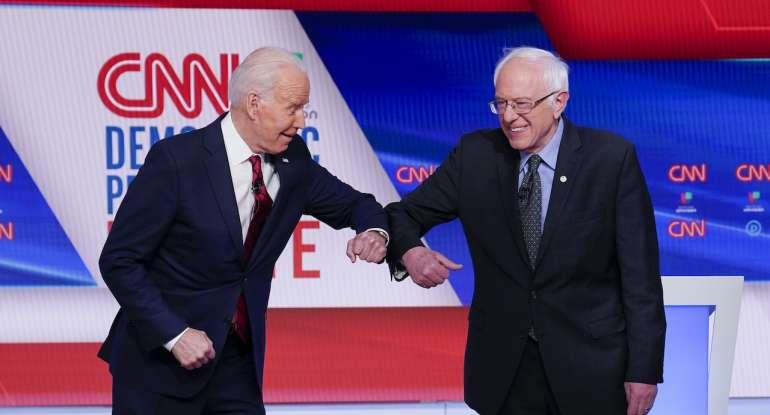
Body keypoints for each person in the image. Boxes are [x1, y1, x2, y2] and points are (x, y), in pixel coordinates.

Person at [98, 47, 389, 415]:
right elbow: (120, 261)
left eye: (304, 108)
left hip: (236, 367)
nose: (301, 121)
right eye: (293, 107)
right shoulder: (177, 161)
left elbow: (356, 203)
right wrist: (175, 334)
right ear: (254, 104)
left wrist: (375, 231)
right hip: (159, 367)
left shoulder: (293, 160)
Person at [386, 46, 665, 415]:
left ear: (559, 101)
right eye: (500, 104)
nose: (509, 117)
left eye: (521, 104)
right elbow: (401, 215)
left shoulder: (611, 159)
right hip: (505, 372)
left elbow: (641, 278)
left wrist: (644, 370)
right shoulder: (476, 155)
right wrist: (411, 251)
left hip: (591, 369)